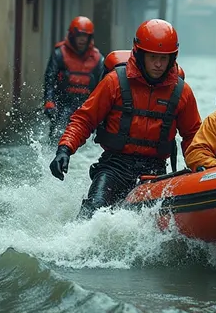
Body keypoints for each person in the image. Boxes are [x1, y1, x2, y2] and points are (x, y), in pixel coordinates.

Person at [49, 19, 201, 218]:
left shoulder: (182, 92)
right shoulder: (114, 82)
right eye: (153, 57)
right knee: (93, 211)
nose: (158, 64)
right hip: (115, 167)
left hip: (155, 172)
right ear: (140, 54)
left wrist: (200, 166)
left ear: (173, 58)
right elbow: (85, 119)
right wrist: (65, 149)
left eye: (164, 59)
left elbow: (193, 136)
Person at [44, 16, 104, 143]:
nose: (82, 39)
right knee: (57, 137)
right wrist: (49, 101)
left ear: (90, 38)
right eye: (79, 35)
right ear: (72, 35)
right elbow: (50, 79)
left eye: (85, 36)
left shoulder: (98, 59)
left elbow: (103, 87)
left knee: (86, 139)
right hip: (62, 105)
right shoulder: (59, 54)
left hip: (85, 107)